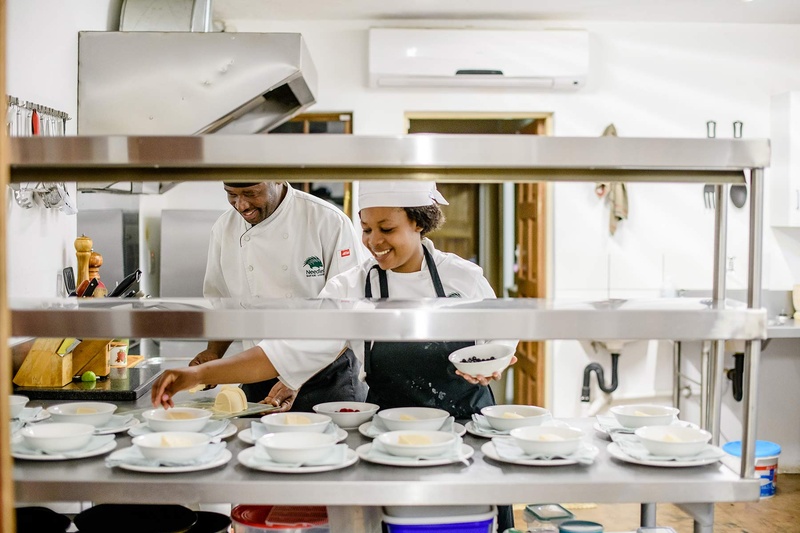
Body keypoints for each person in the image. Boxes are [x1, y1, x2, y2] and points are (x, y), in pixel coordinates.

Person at [192, 180, 368, 411]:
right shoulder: (224, 229)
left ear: (277, 178)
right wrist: (213, 353)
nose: (241, 205)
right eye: (231, 194)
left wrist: (293, 376)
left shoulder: (328, 221)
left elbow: (347, 315)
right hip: (257, 373)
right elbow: (225, 307)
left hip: (327, 378)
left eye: (250, 193)